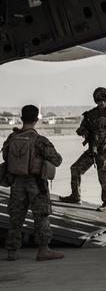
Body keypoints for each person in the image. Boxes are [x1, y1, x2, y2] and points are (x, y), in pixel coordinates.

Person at [3, 105, 64, 261]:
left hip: (16, 183)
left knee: (15, 217)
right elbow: (57, 160)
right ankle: (44, 250)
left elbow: (5, 157)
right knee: (41, 216)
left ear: (21, 118)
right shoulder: (39, 140)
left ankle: (12, 252)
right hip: (36, 183)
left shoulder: (12, 138)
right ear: (36, 119)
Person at [60, 87, 106, 212]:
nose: (102, 103)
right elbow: (82, 127)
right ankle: (75, 196)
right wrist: (83, 131)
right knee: (75, 169)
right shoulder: (91, 114)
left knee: (104, 177)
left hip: (105, 151)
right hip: (93, 149)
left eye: (104, 101)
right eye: (99, 101)